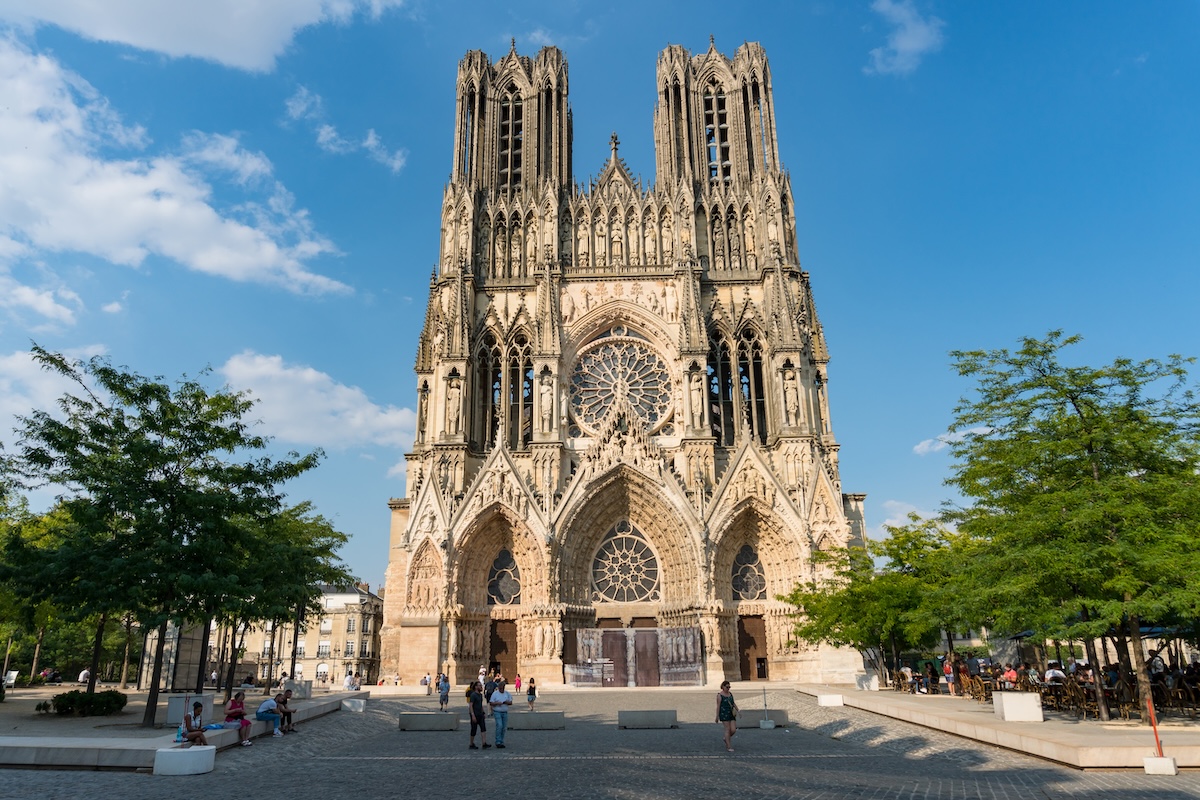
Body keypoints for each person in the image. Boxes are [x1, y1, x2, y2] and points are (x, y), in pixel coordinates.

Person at [489, 677, 513, 749]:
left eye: (501, 688)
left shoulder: (507, 694)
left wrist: (506, 702)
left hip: (504, 712)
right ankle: (498, 741)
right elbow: (491, 703)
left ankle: (501, 741)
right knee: (499, 725)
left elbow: (510, 702)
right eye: (499, 688)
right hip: (497, 711)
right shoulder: (495, 694)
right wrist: (496, 703)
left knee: (503, 727)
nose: (500, 689)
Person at [467, 681, 490, 750]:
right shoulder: (473, 695)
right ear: (476, 687)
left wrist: (483, 712)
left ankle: (484, 743)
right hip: (475, 714)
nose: (481, 687)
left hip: (480, 714)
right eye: (479, 686)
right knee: (474, 730)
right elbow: (470, 706)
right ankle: (471, 744)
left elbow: (480, 705)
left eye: (481, 685)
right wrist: (472, 715)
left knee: (483, 728)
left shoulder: (480, 695)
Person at [715, 680, 738, 752]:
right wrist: (717, 716)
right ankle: (728, 746)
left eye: (729, 687)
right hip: (724, 713)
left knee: (733, 729)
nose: (728, 688)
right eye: (727, 687)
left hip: (731, 713)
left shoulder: (730, 694)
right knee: (727, 729)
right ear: (723, 687)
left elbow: (733, 703)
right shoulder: (719, 695)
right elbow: (718, 706)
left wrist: (738, 710)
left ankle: (726, 738)